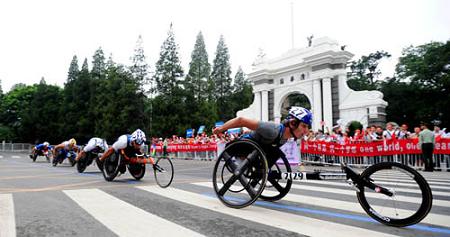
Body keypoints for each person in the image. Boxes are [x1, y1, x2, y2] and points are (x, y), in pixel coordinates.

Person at [213, 106, 312, 167]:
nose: (306, 131)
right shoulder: (272, 129)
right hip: (239, 147)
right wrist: (220, 129)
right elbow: (241, 120)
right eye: (304, 126)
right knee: (274, 152)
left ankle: (260, 173)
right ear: (293, 123)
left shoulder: (285, 137)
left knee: (276, 153)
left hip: (256, 152)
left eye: (307, 127)